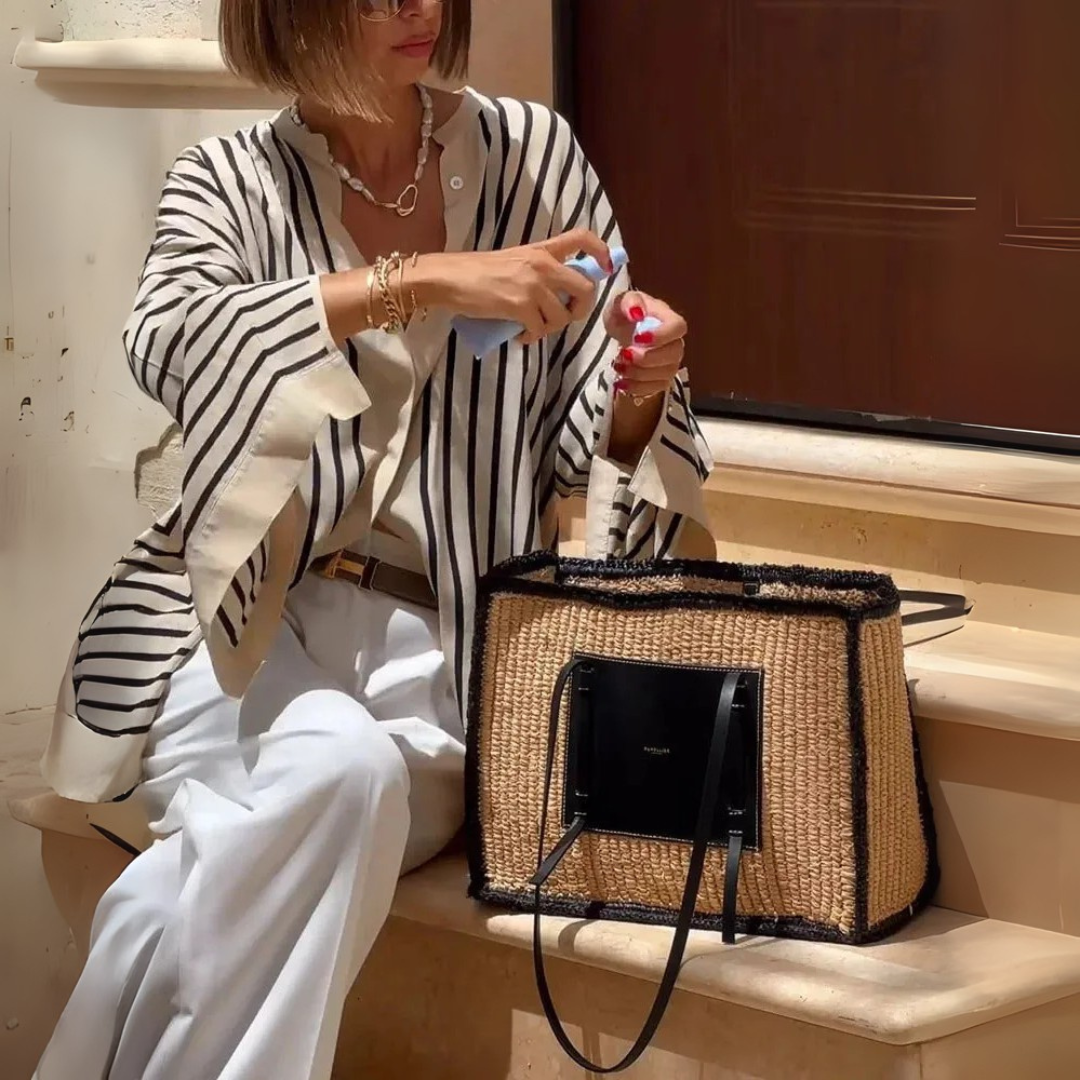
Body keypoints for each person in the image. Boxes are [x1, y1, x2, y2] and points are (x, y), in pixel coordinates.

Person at [35, 1, 713, 1076]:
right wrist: (423, 281)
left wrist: (644, 385)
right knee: (334, 778)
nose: (418, 6)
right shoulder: (229, 181)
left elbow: (595, 445)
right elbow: (170, 339)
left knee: (271, 827)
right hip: (238, 634)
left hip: (439, 661)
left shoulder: (533, 158)